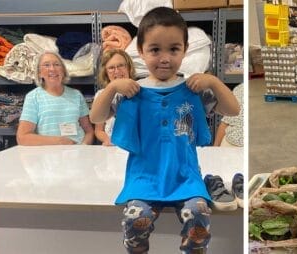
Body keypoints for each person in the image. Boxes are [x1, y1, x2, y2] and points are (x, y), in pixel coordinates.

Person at [90, 7, 239, 253]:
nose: (165, 58)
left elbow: (233, 110)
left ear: (185, 49)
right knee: (136, 218)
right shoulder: (132, 91)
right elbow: (96, 116)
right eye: (155, 49)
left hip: (185, 177)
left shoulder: (193, 89)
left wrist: (212, 80)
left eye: (174, 49)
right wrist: (112, 87)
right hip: (144, 178)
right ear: (140, 51)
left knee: (198, 214)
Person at [16, 51, 94, 145]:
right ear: (39, 73)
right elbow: (23, 137)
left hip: (78, 153)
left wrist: (83, 147)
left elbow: (89, 131)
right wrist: (60, 141)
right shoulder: (33, 97)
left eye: (57, 64)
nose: (52, 69)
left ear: (63, 71)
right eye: (46, 65)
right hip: (49, 156)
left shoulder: (76, 95)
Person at [94, 49, 136, 146]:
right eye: (111, 68)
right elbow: (98, 130)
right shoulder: (101, 95)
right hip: (112, 147)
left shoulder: (141, 90)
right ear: (106, 73)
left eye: (121, 65)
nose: (117, 71)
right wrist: (108, 139)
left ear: (129, 68)